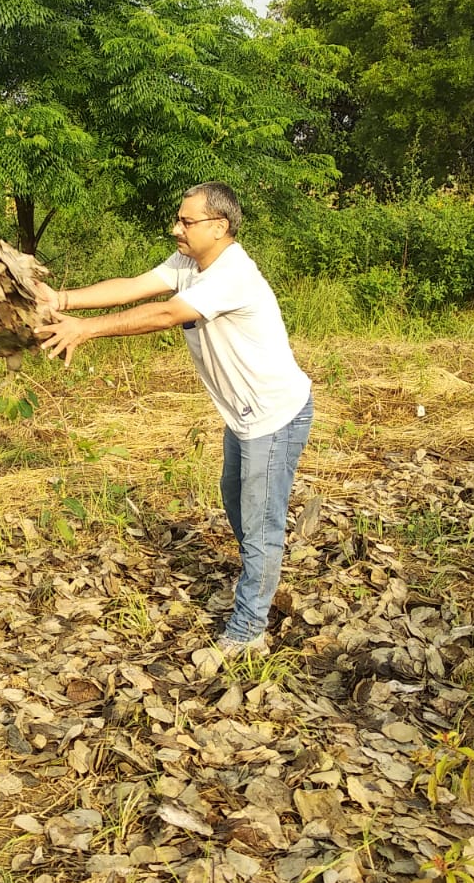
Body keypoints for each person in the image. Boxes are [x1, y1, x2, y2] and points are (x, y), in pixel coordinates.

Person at [34, 181, 313, 657]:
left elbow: (165, 313)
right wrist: (60, 300)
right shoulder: (190, 263)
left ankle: (249, 628)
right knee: (237, 501)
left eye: (186, 221)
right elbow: (133, 286)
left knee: (259, 522)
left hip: (274, 416)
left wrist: (87, 330)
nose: (175, 229)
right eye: (178, 219)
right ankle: (260, 578)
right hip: (243, 415)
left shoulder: (232, 274)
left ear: (219, 226)